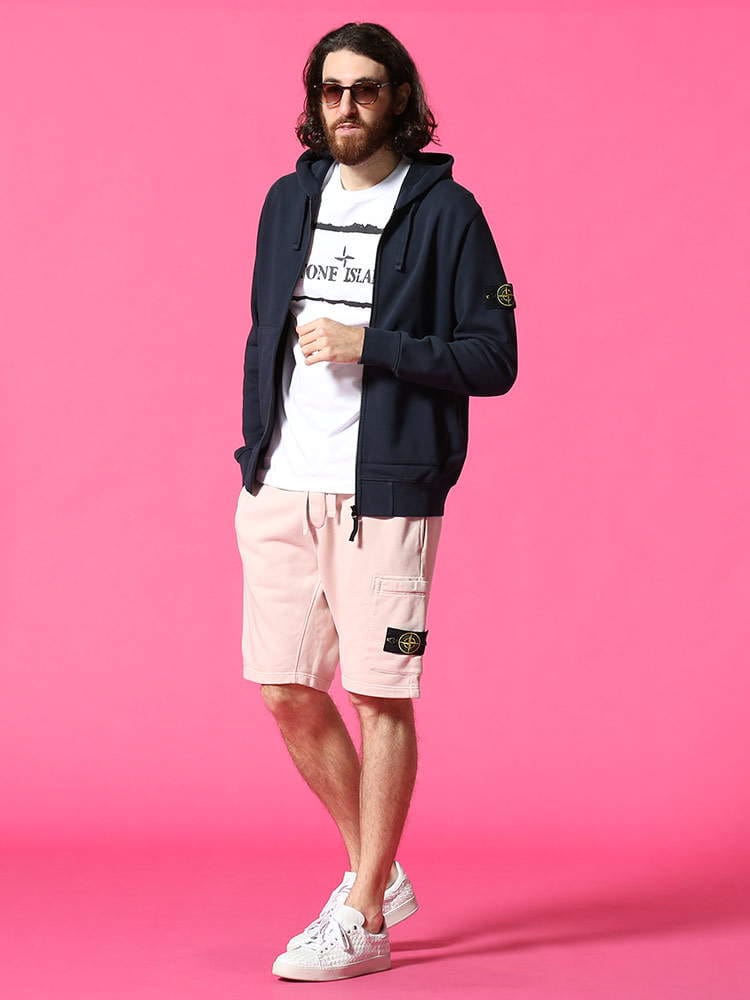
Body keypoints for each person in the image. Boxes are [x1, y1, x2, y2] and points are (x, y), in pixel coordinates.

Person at [233, 21, 518, 982]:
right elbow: (263, 333)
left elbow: (494, 358)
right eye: (331, 90)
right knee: (284, 687)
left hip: (384, 492)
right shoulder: (288, 201)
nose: (346, 107)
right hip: (282, 482)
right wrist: (254, 452)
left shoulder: (448, 213)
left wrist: (373, 345)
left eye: (364, 89)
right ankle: (379, 870)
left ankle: (363, 915)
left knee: (378, 695)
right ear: (314, 102)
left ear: (399, 96)